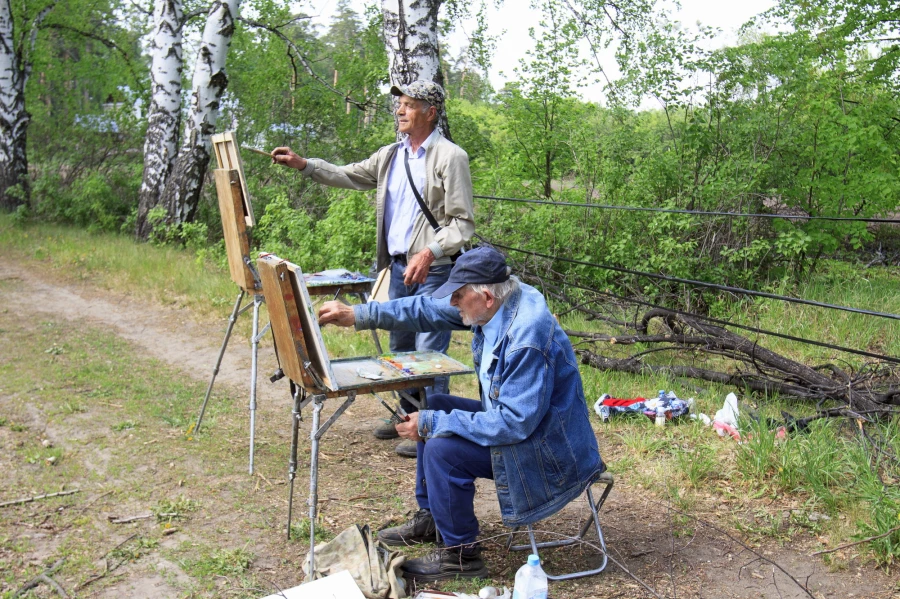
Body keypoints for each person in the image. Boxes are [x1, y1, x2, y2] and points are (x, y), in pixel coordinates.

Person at [318, 246, 605, 582]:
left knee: (442, 448)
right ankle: (434, 518)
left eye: (457, 296)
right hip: (530, 431)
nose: (452, 303)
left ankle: (461, 557)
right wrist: (358, 314)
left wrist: (430, 425)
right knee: (437, 405)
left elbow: (513, 423)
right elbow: (426, 308)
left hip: (549, 453)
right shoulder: (499, 297)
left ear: (484, 297)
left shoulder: (526, 335)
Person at [272, 80, 475, 458]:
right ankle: (407, 416)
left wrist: (429, 252)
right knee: (399, 348)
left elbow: (462, 224)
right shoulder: (390, 155)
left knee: (430, 352)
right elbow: (348, 174)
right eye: (398, 103)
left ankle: (433, 430)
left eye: (409, 104)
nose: (399, 110)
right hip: (398, 269)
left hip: (437, 271)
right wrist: (304, 165)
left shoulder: (451, 157)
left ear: (430, 112)